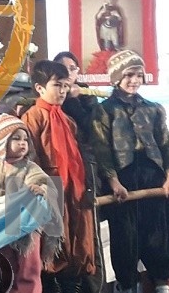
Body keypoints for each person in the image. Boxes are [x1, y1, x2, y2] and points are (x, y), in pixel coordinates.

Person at [90, 50, 169, 293]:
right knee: (126, 241)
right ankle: (127, 285)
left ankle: (161, 284)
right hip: (124, 180)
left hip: (154, 178)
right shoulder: (104, 111)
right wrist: (113, 181)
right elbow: (102, 151)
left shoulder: (154, 109)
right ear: (117, 77)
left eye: (139, 75)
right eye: (129, 75)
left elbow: (165, 145)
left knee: (159, 237)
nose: (134, 80)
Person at [22, 60, 96, 292]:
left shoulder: (68, 120)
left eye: (65, 85)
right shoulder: (33, 117)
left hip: (74, 189)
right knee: (52, 246)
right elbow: (29, 158)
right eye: (57, 85)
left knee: (77, 241)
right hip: (50, 189)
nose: (63, 91)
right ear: (39, 88)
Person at [0, 113, 55, 293]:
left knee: (29, 267)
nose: (22, 143)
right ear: (2, 143)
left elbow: (44, 183)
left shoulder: (31, 167)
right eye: (16, 138)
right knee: (4, 267)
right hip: (2, 229)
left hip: (28, 231)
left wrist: (41, 189)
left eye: (25, 139)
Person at [53, 51, 104, 293]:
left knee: (89, 230)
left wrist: (74, 100)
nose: (69, 74)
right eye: (63, 69)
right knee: (63, 229)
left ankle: (93, 286)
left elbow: (93, 130)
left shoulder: (87, 97)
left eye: (73, 68)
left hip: (86, 166)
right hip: (58, 172)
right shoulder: (48, 100)